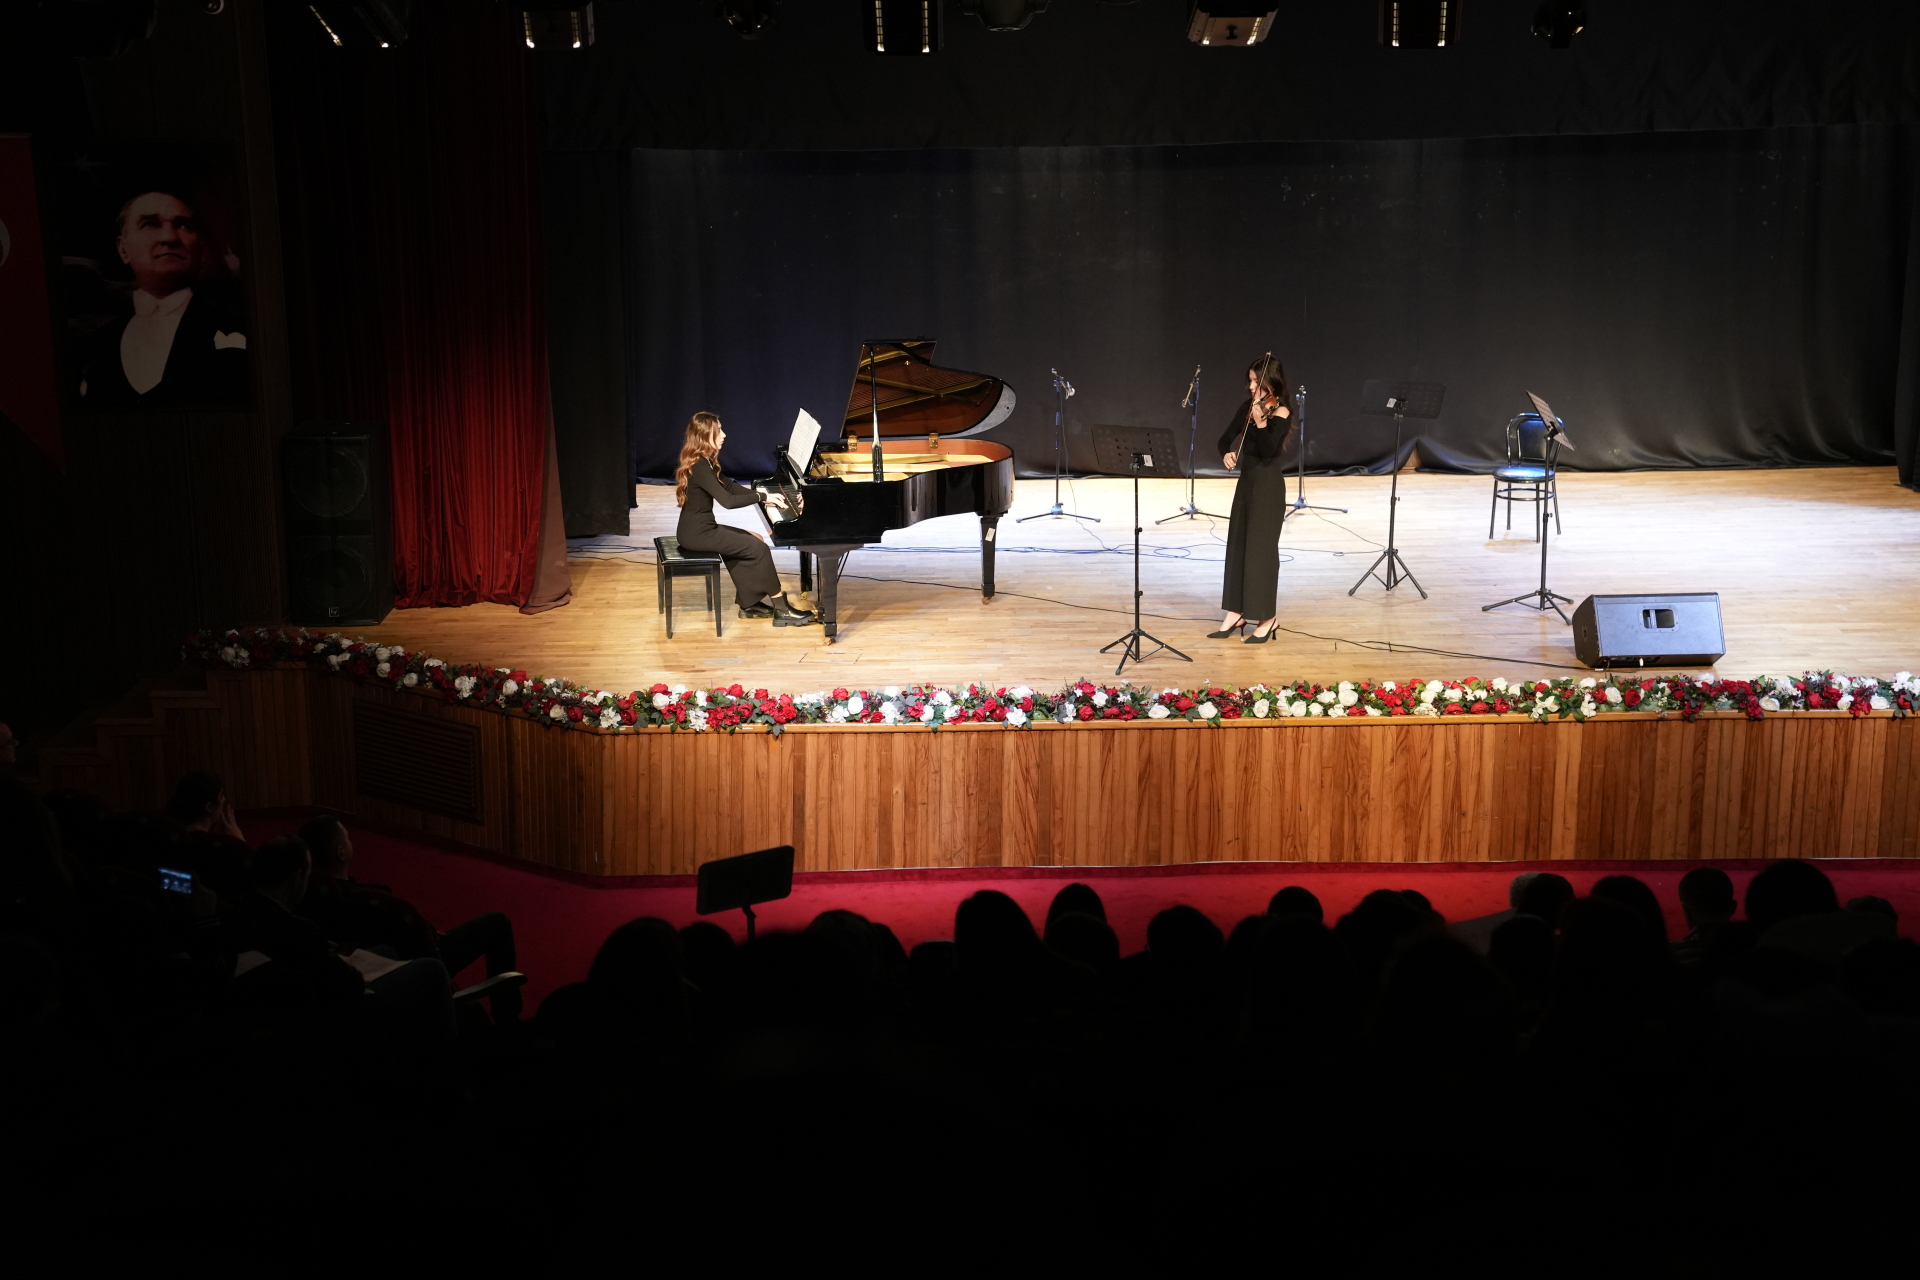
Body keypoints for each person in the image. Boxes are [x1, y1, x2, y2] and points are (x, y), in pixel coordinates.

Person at [75, 190, 250, 408]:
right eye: (150, 224)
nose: (169, 238)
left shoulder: (240, 329)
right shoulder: (95, 345)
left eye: (184, 226)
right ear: (123, 249)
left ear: (201, 251)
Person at [673, 412, 816, 626]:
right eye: (718, 430)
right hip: (697, 534)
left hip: (701, 529)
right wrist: (761, 497)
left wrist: (764, 495)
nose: (724, 434)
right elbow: (728, 501)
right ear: (705, 435)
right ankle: (782, 608)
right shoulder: (700, 467)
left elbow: (730, 487)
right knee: (760, 549)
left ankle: (749, 605)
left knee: (755, 538)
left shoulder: (705, 461)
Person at [1211, 355, 1293, 643]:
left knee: (1262, 553)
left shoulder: (1282, 412)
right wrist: (1226, 452)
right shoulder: (1248, 407)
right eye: (1250, 381)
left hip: (1268, 488)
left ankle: (1268, 619)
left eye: (1256, 381)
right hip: (1246, 485)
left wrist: (1260, 424)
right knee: (1238, 546)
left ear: (1271, 381)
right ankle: (1236, 612)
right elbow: (1225, 439)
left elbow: (1269, 451)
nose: (1251, 386)